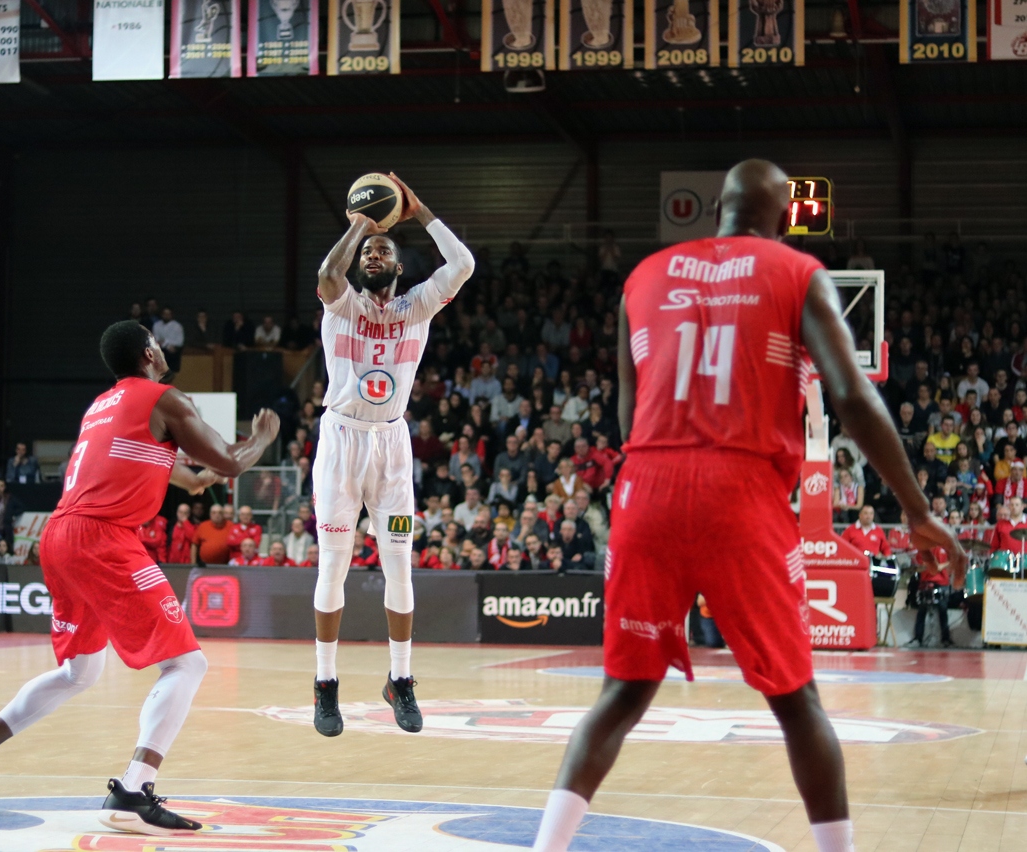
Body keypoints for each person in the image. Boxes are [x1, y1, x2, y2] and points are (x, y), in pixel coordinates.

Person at [531, 160, 965, 852]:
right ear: (785, 217)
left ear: (716, 216)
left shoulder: (643, 277)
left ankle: (545, 847)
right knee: (796, 702)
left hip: (646, 481)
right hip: (740, 487)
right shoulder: (795, 273)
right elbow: (853, 397)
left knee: (621, 693)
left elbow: (623, 408)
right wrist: (914, 506)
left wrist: (661, 466)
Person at [0, 320, 278, 836]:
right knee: (188, 664)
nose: (165, 351)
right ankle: (134, 791)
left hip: (59, 535)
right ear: (148, 352)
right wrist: (263, 440)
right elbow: (226, 463)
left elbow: (191, 475)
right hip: (102, 538)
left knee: (81, 673)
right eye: (159, 345)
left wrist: (208, 472)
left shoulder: (103, 407)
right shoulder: (165, 398)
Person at [310, 172, 473, 738]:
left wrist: (420, 209)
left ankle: (400, 680)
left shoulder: (418, 307)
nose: (375, 254)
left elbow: (464, 265)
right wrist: (363, 221)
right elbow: (328, 273)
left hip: (392, 447)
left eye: (385, 248)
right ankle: (325, 684)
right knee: (334, 565)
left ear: (400, 265)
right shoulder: (341, 303)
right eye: (369, 251)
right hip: (341, 442)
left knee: (398, 562)